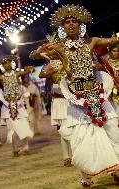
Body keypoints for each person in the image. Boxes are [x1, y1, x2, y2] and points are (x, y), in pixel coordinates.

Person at [30, 4, 119, 187]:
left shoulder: (91, 42)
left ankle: (115, 169)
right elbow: (33, 56)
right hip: (76, 97)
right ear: (62, 28)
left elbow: (111, 41)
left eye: (74, 22)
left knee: (112, 131)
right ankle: (86, 176)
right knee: (83, 137)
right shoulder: (59, 46)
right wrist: (39, 51)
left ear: (81, 26)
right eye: (67, 22)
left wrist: (115, 38)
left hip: (96, 93)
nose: (71, 25)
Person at [0, 57, 34, 157]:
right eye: (5, 64)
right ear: (3, 66)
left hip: (19, 104)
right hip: (7, 107)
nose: (8, 65)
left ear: (12, 64)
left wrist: (30, 69)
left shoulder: (17, 74)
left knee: (23, 125)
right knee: (12, 129)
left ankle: (26, 146)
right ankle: (14, 149)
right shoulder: (1, 77)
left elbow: (26, 72)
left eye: (9, 63)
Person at [39, 59, 73, 167]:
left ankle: (75, 154)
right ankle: (66, 156)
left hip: (71, 98)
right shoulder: (51, 64)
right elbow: (41, 75)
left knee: (74, 127)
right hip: (59, 100)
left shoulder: (67, 59)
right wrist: (54, 70)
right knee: (63, 129)